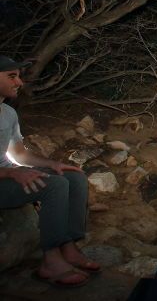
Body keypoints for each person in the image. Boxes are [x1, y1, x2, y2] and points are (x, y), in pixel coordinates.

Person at [0, 55, 99, 288]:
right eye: (11, 76)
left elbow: (18, 154)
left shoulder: (8, 113)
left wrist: (51, 164)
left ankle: (69, 246)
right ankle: (51, 260)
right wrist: (12, 174)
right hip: (3, 179)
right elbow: (13, 167)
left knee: (72, 177)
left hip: (6, 175)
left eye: (19, 76)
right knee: (54, 186)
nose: (19, 83)